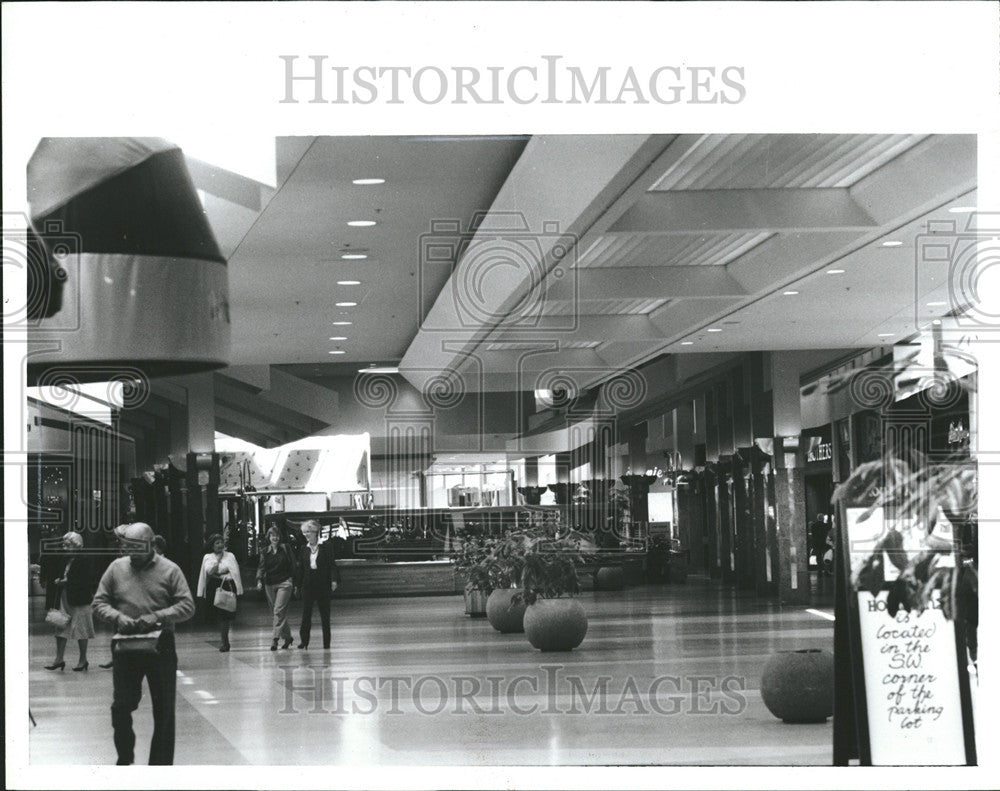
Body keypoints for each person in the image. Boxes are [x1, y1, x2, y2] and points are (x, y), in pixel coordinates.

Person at [92, 522, 195, 765]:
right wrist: (118, 617)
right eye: (127, 546)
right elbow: (99, 603)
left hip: (161, 645)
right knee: (121, 705)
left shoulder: (170, 570)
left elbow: (187, 606)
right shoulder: (116, 569)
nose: (131, 551)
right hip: (125, 644)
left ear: (151, 544)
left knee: (164, 710)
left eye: (137, 546)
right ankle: (125, 759)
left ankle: (158, 769)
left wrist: (157, 617)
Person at [45, 531, 96, 671]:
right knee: (60, 626)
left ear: (77, 546)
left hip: (80, 598)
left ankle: (83, 659)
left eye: (68, 545)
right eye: (64, 545)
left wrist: (65, 581)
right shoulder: (64, 559)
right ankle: (59, 659)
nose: (65, 548)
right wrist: (59, 580)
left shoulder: (84, 559)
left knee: (82, 629)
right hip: (65, 597)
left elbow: (86, 580)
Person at [295, 519, 340, 649]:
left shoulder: (326, 546)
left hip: (323, 584)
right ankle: (304, 641)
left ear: (315, 532)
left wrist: (334, 580)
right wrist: (298, 585)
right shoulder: (304, 549)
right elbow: (301, 569)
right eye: (304, 533)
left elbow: (332, 565)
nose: (306, 535)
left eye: (308, 532)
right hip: (308, 585)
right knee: (306, 614)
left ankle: (326, 643)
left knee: (325, 615)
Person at [197, 533, 243, 652]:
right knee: (218, 615)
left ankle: (225, 642)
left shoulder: (230, 556)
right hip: (215, 586)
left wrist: (223, 570)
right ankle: (224, 641)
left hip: (228, 585)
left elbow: (234, 571)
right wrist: (217, 561)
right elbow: (210, 571)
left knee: (225, 616)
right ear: (212, 546)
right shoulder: (208, 557)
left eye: (221, 542)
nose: (220, 545)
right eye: (217, 543)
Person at [257, 525, 298, 651]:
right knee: (277, 612)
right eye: (272, 535)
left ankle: (275, 639)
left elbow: (293, 565)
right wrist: (259, 580)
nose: (275, 538)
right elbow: (261, 567)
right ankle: (288, 637)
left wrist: (294, 582)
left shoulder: (285, 548)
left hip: (285, 583)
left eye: (277, 535)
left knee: (278, 611)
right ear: (268, 537)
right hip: (270, 584)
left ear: (280, 537)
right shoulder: (265, 551)